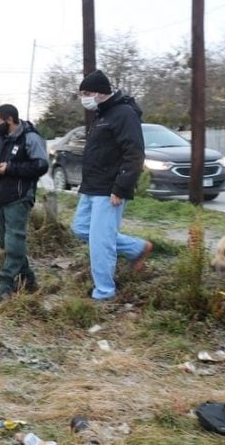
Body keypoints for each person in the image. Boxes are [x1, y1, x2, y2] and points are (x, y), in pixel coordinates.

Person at [72, 69, 153, 301]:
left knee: (101, 243)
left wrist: (121, 187)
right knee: (80, 228)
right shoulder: (102, 114)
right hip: (92, 186)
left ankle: (104, 293)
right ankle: (136, 248)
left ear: (100, 92)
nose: (83, 98)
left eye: (86, 93)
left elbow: (134, 153)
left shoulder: (124, 113)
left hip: (109, 190)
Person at [0, 104, 49, 302]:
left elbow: (41, 165)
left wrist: (10, 168)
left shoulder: (30, 138)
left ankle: (6, 285)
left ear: (9, 120)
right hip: (0, 195)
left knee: (14, 241)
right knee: (6, 241)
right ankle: (28, 280)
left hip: (19, 196)